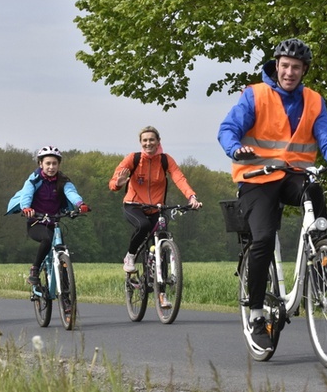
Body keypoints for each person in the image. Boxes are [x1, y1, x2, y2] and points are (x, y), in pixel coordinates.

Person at [217, 38, 327, 352]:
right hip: (256, 177)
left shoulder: (313, 101)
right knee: (264, 238)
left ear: (304, 70)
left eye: (296, 67)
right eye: (285, 66)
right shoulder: (255, 95)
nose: (289, 72)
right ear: (276, 66)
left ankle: (320, 260)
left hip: (293, 176)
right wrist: (236, 148)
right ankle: (255, 315)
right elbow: (228, 128)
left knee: (315, 188)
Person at [109, 126, 202, 306]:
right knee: (143, 226)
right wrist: (118, 184)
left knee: (162, 250)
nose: (148, 143)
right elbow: (114, 181)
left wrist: (191, 196)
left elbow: (179, 178)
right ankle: (130, 255)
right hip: (134, 205)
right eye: (144, 140)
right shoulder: (133, 159)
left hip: (157, 209)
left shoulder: (165, 160)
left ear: (158, 141)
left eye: (151, 140)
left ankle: (162, 295)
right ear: (140, 143)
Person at [13, 146, 90, 286]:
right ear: (40, 164)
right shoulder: (34, 179)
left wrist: (80, 204)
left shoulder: (63, 180)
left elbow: (71, 192)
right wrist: (26, 208)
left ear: (58, 165)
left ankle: (66, 293)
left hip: (54, 223)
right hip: (36, 222)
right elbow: (27, 194)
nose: (51, 167)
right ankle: (34, 270)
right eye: (48, 163)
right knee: (47, 239)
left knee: (61, 249)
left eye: (54, 163)